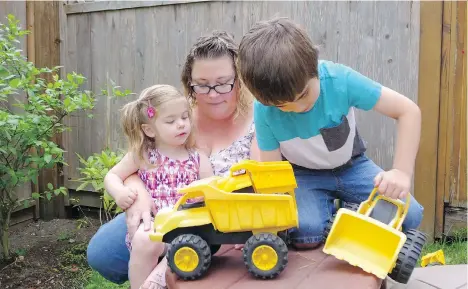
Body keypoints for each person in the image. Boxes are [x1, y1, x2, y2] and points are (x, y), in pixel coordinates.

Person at [86, 30, 259, 286]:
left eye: (223, 82)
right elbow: (139, 161)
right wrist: (138, 195)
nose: (212, 94)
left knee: (194, 251)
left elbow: (258, 182)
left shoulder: (259, 120)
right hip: (159, 207)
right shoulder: (178, 114)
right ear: (189, 82)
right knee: (103, 253)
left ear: (240, 78)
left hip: (212, 218)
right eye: (202, 84)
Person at [237, 17, 424, 249]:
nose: (298, 108)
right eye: (282, 106)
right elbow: (273, 175)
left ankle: (349, 214)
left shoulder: (339, 80)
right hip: (304, 176)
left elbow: (408, 111)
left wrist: (401, 172)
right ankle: (337, 218)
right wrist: (266, 226)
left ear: (314, 66)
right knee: (304, 234)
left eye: (303, 94)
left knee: (410, 215)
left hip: (353, 166)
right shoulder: (264, 111)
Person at [103, 84, 214, 289]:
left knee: (192, 242)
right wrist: (119, 192)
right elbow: (112, 176)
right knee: (145, 239)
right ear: (149, 130)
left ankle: (161, 274)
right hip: (155, 227)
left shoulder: (198, 159)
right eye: (171, 121)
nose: (181, 124)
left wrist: (204, 197)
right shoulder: (144, 155)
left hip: (189, 229)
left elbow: (212, 191)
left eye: (184, 117)